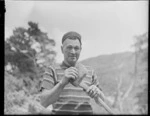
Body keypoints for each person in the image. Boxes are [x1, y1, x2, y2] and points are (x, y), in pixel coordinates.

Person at [40, 31, 104, 115]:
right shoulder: (52, 70)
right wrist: (62, 83)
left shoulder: (90, 71)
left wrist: (97, 93)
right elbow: (43, 102)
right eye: (69, 47)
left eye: (76, 48)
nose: (73, 52)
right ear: (62, 49)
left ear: (81, 49)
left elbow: (101, 102)